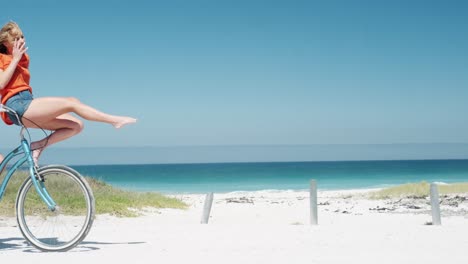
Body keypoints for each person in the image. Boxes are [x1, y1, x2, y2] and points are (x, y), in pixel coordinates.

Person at [0, 21, 137, 165]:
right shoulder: (2, 58)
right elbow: (1, 83)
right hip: (16, 106)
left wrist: (17, 58)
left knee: (76, 125)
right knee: (71, 101)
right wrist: (14, 59)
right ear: (5, 43)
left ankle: (39, 145)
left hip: (27, 104)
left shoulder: (23, 60)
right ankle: (113, 120)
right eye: (15, 39)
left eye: (22, 36)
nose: (21, 40)